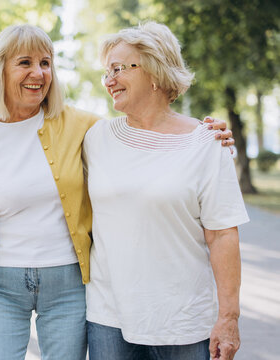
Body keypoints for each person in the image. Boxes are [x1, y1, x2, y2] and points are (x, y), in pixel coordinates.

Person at [0, 24, 233, 360]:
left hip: (68, 282)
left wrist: (205, 133)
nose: (38, 73)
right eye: (24, 63)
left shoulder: (83, 126)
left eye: (46, 63)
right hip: (1, 287)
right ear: (0, 69)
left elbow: (148, 124)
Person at [84, 22, 249, 360]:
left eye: (118, 69)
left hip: (183, 323)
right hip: (108, 318)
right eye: (106, 72)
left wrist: (229, 318)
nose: (109, 81)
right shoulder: (95, 138)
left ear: (155, 70)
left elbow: (222, 236)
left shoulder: (206, 142)